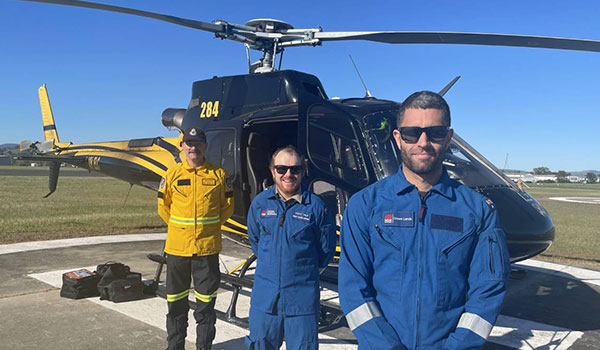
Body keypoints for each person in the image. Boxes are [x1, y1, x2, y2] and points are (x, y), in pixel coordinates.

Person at [338, 91, 510, 350]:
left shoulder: (477, 210)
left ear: (449, 138)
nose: (423, 142)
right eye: (411, 133)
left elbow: (488, 291)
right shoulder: (365, 205)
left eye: (435, 132)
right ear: (398, 138)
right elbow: (353, 288)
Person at [245, 145, 336, 350]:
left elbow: (325, 250)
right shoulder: (260, 204)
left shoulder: (316, 207)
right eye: (281, 169)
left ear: (303, 172)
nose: (288, 174)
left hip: (301, 301)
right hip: (265, 300)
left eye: (295, 169)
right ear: (272, 171)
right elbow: (255, 240)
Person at [157, 127, 234, 350]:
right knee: (176, 305)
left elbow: (227, 208)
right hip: (177, 251)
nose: (193, 147)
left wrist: (207, 231)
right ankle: (175, 346)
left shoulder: (219, 175)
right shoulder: (172, 175)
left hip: (207, 251)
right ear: (183, 146)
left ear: (205, 146)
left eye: (198, 143)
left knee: (206, 306)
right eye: (189, 143)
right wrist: (182, 231)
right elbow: (164, 207)